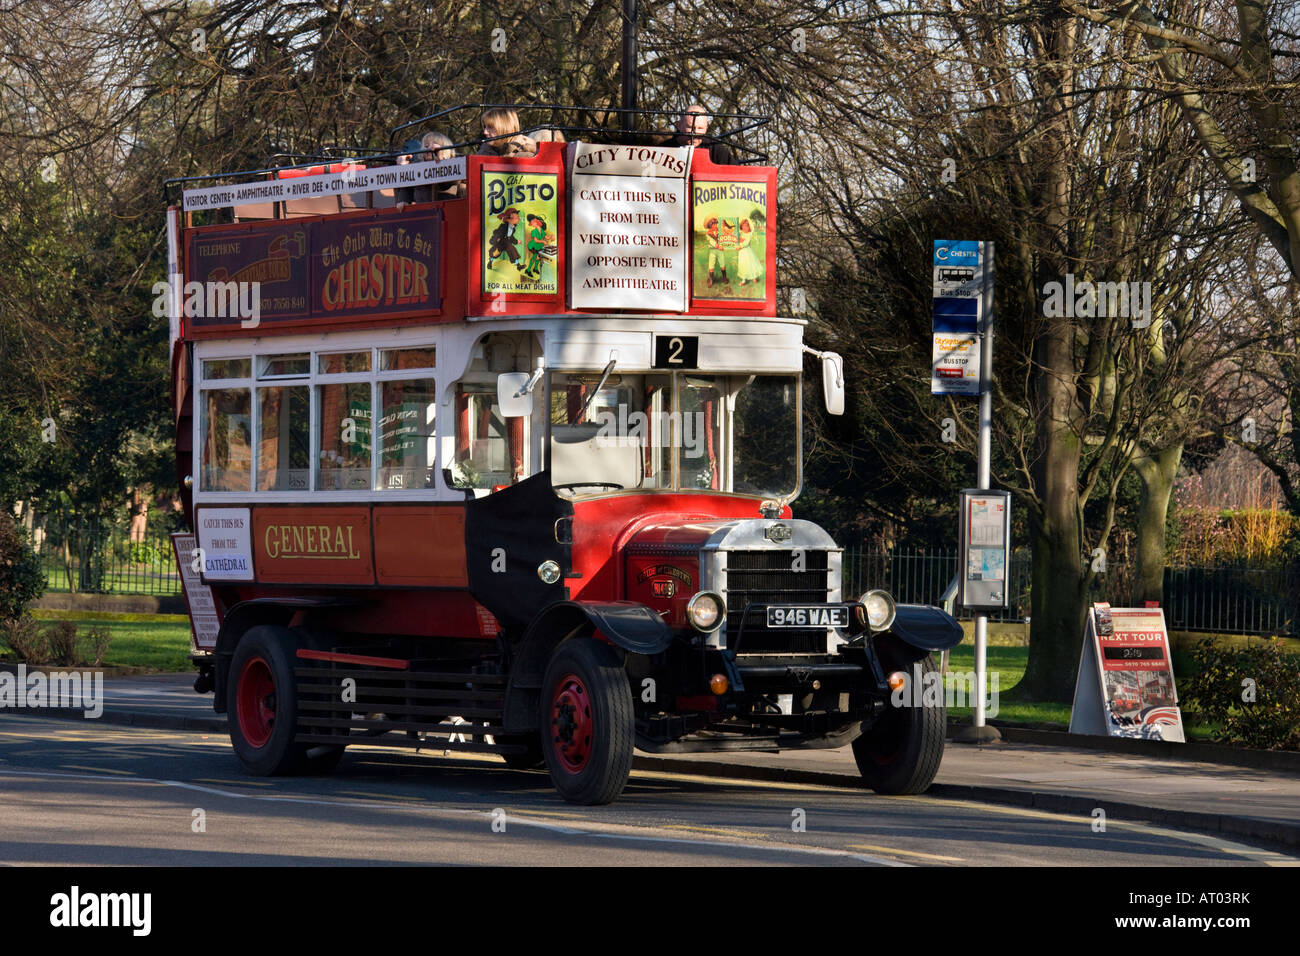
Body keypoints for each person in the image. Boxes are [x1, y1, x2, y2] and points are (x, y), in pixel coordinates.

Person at [666, 105, 733, 164]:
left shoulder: (717, 150)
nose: (695, 132)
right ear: (679, 125)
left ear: (706, 128)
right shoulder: (664, 148)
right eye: (690, 127)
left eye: (700, 128)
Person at [735, 219, 762, 285]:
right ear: (741, 227)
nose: (745, 228)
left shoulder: (749, 234)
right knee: (743, 265)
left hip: (747, 251)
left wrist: (740, 246)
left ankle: (754, 277)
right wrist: (738, 242)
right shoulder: (741, 233)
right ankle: (743, 280)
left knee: (750, 264)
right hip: (741, 252)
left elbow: (746, 243)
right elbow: (739, 240)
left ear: (749, 227)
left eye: (746, 226)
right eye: (743, 226)